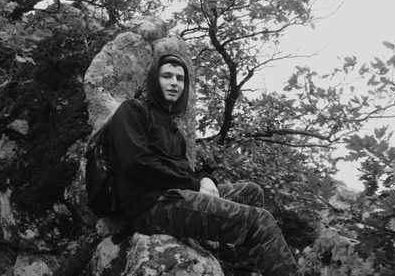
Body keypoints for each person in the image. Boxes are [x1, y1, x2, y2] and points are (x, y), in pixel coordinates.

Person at [107, 54, 301, 276]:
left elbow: (182, 172)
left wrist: (204, 180)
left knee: (251, 191)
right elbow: (136, 163)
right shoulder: (133, 110)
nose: (174, 83)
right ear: (154, 80)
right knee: (259, 220)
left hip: (175, 195)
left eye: (180, 79)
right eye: (167, 76)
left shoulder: (173, 129)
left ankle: (235, 264)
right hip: (150, 205)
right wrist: (193, 184)